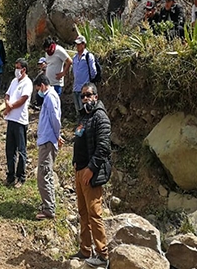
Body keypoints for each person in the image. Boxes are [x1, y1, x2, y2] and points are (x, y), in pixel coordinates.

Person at [72, 83, 112, 267]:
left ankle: (103, 255)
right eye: (83, 96)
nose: (85, 99)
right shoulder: (83, 116)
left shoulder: (100, 117)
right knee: (82, 212)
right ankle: (85, 249)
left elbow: (104, 147)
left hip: (91, 174)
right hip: (79, 170)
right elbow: (79, 138)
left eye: (89, 95)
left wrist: (90, 169)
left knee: (95, 214)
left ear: (96, 96)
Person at [35, 73, 62, 219]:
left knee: (43, 175)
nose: (38, 92)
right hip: (47, 139)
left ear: (43, 86)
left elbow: (55, 119)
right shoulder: (50, 96)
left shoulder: (50, 97)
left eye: (38, 88)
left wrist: (57, 136)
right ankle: (49, 205)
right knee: (47, 174)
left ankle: (49, 209)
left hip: (48, 141)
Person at [3, 59, 33, 187]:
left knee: (21, 150)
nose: (16, 70)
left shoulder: (28, 83)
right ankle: (10, 175)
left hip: (20, 120)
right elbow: (7, 95)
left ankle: (21, 177)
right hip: (11, 119)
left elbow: (23, 99)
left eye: (18, 67)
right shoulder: (14, 81)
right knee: (10, 149)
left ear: (24, 69)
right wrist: (7, 104)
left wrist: (10, 107)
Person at [72, 36, 101, 117]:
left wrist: (88, 84)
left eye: (79, 44)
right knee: (78, 112)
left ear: (84, 44)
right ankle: (80, 127)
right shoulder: (75, 57)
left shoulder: (89, 56)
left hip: (85, 90)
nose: (77, 46)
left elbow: (93, 72)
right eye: (76, 44)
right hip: (76, 88)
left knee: (86, 110)